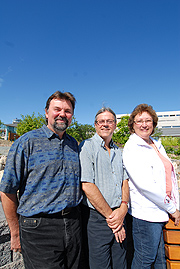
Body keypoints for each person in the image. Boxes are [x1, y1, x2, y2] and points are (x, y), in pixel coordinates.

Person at [0, 91, 82, 269]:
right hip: (39, 229)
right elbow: (7, 190)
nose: (62, 114)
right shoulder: (26, 143)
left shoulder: (74, 145)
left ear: (72, 115)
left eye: (67, 111)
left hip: (73, 224)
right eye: (57, 109)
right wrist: (15, 233)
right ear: (46, 112)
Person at [123, 103, 180, 269]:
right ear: (133, 125)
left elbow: (170, 178)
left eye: (148, 120)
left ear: (154, 124)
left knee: (161, 260)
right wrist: (172, 208)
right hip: (146, 214)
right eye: (139, 121)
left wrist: (175, 205)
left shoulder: (156, 144)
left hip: (161, 210)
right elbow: (146, 185)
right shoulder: (132, 147)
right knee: (145, 259)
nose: (144, 124)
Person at [79, 107, 129, 269]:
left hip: (119, 215)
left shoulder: (118, 151)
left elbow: (125, 181)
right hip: (98, 219)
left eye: (109, 121)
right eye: (101, 121)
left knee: (120, 263)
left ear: (115, 125)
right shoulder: (86, 147)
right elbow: (87, 185)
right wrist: (113, 220)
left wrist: (123, 208)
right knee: (100, 265)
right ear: (95, 125)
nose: (105, 124)